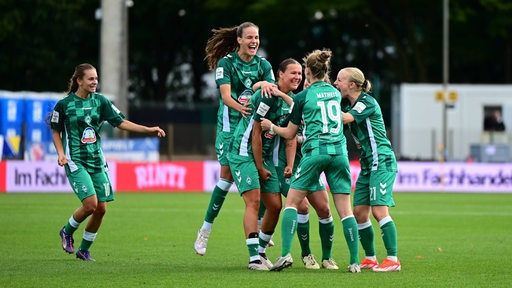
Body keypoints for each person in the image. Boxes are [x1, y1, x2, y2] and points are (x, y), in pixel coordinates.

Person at [51, 63, 166, 261]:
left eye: (96, 78)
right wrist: (61, 153)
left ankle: (84, 250)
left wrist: (148, 130)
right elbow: (56, 130)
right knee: (90, 205)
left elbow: (121, 122)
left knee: (101, 208)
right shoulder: (64, 105)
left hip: (97, 160)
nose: (95, 82)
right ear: (79, 81)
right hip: (76, 160)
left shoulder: (101, 102)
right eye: (90, 79)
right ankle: (67, 231)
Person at [261, 49, 360, 273]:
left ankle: (285, 254)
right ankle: (354, 261)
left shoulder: (302, 97)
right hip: (340, 154)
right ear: (326, 71)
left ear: (307, 71)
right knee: (345, 211)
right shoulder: (335, 93)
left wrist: (271, 127)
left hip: (315, 153)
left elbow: (289, 134)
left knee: (292, 204)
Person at [194, 22, 276, 256]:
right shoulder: (226, 63)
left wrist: (261, 85)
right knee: (226, 177)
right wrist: (242, 108)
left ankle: (259, 223)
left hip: (254, 127)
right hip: (230, 128)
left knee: (260, 174)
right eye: (249, 37)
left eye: (257, 37)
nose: (254, 41)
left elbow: (269, 88)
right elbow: (225, 96)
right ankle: (205, 229)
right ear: (239, 40)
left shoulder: (264, 65)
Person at [227, 58, 302, 270]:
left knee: (275, 206)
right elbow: (256, 133)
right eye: (293, 73)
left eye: (300, 73)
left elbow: (290, 136)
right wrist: (259, 167)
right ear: (280, 75)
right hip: (244, 151)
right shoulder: (267, 95)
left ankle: (261, 251)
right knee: (253, 201)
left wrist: (288, 164)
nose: (297, 77)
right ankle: (253, 259)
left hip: (265, 155)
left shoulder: (291, 100)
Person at [334, 67, 401, 272]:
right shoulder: (348, 103)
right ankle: (370, 258)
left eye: (339, 80)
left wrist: (321, 105)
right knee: (359, 213)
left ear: (352, 85)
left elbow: (346, 119)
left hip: (381, 160)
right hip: (367, 164)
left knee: (379, 211)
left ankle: (392, 259)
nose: (335, 83)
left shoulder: (366, 102)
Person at [274, 75, 336, 270]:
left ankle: (327, 258)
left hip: (310, 163)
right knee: (301, 207)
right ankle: (305, 254)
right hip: (289, 166)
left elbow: (297, 134)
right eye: (303, 80)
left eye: (304, 77)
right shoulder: (299, 101)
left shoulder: (311, 102)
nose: (302, 81)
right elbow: (291, 136)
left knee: (325, 209)